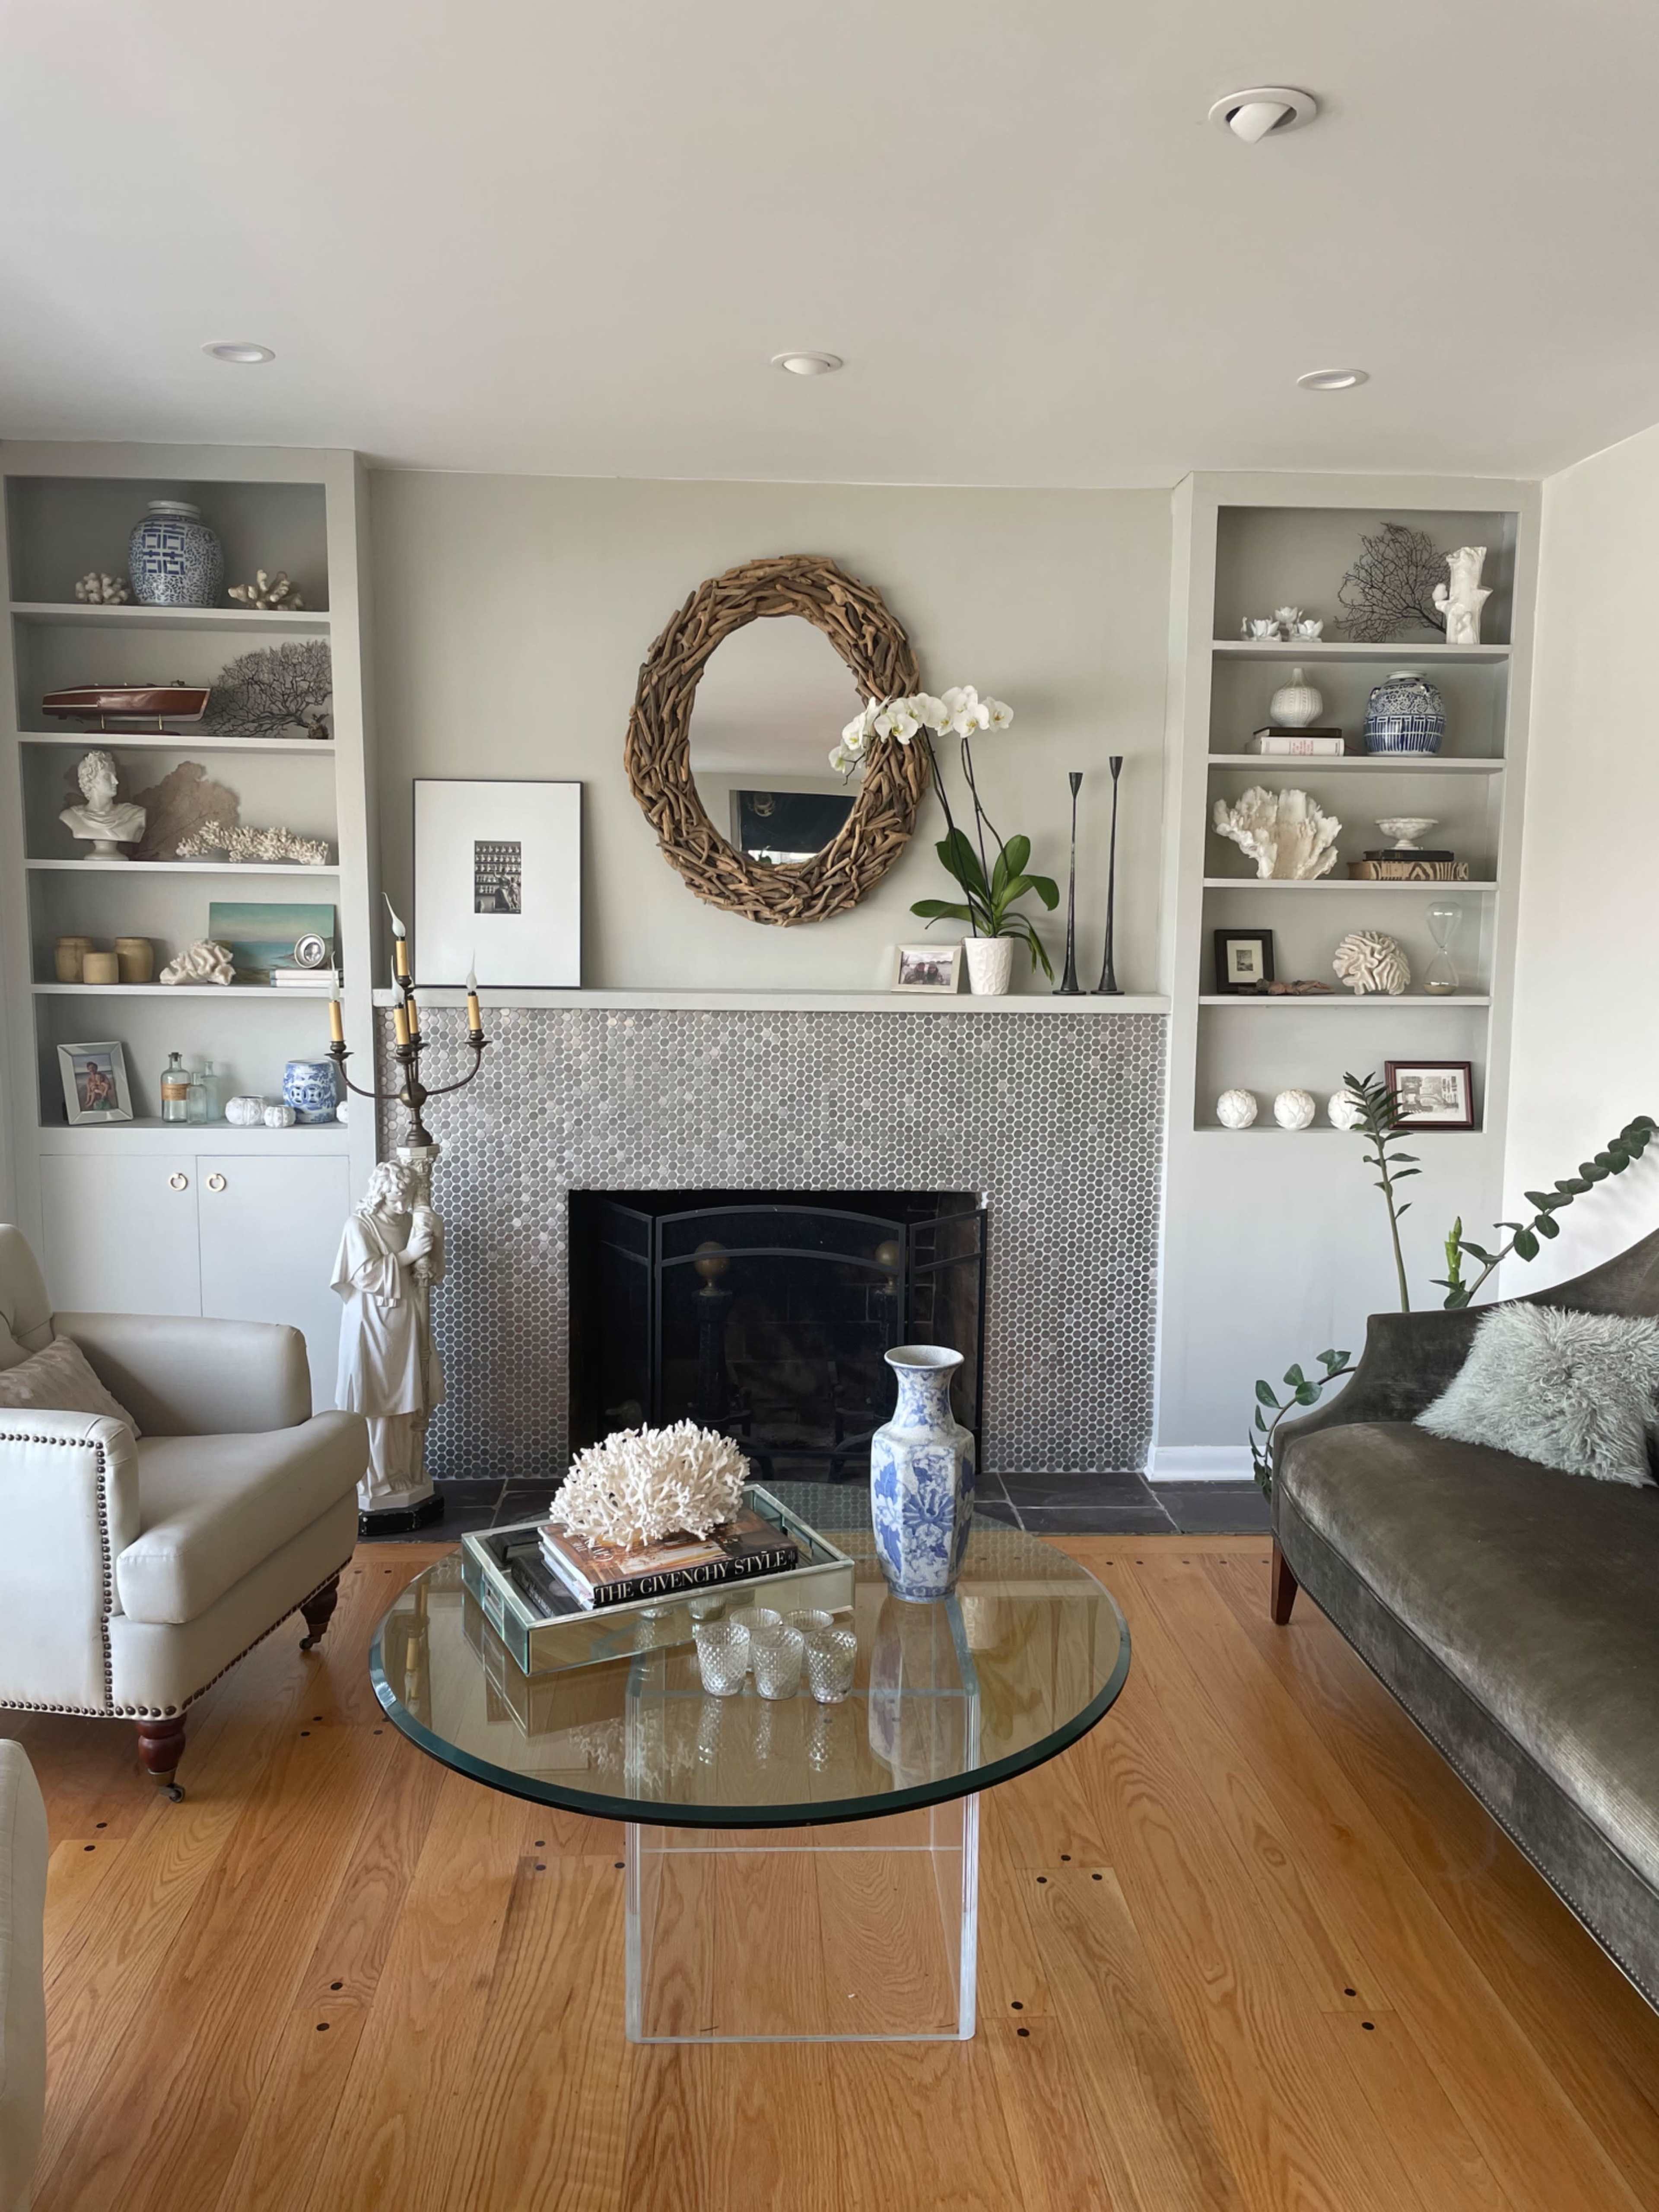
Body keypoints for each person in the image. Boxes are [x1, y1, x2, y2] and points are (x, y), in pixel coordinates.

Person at [331, 1158, 445, 1510]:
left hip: (406, 1323)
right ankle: (377, 1478)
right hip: (372, 1326)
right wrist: (409, 1255)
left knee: (408, 1400)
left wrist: (431, 1242)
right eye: (396, 1196)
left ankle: (404, 1471)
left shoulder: (412, 1221)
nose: (402, 1204)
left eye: (407, 1196)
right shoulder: (360, 1226)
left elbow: (430, 1273)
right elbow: (365, 1276)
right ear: (380, 1193)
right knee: (378, 1400)